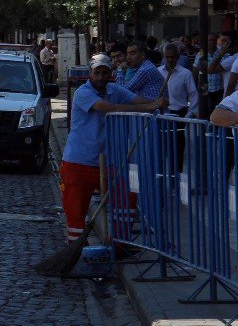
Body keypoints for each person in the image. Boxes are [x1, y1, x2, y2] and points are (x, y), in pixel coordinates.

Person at [60, 54, 166, 243]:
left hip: (109, 161)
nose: (101, 77)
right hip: (78, 161)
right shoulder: (83, 93)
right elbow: (107, 107)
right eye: (97, 73)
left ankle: (119, 242)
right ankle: (76, 248)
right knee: (75, 211)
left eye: (105, 72)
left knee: (128, 195)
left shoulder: (115, 89)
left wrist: (157, 102)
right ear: (90, 74)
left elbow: (138, 100)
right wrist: (149, 107)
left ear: (111, 73)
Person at [159, 43, 199, 171]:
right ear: (164, 57)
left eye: (173, 57)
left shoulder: (185, 73)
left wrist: (189, 114)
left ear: (178, 57)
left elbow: (193, 94)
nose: (170, 59)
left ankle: (177, 177)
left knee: (177, 148)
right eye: (167, 57)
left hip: (178, 114)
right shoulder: (158, 72)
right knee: (161, 147)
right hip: (162, 113)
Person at [194, 33, 223, 115]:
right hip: (206, 87)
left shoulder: (221, 53)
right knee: (207, 110)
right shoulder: (201, 54)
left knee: (218, 111)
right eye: (210, 40)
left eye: (214, 40)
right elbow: (195, 70)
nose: (212, 42)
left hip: (219, 87)